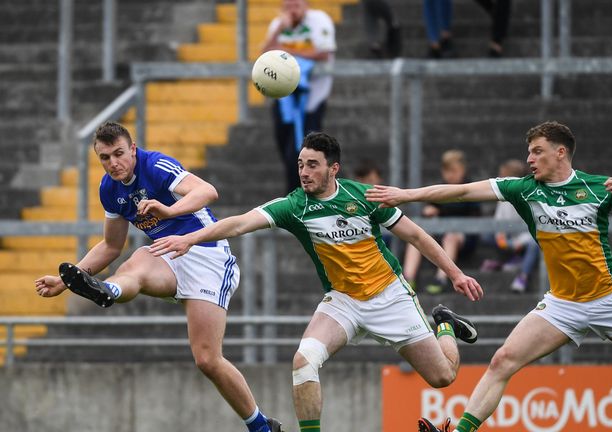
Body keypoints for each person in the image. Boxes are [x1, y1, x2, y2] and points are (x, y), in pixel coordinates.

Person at [365, 121, 612, 432]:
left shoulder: (597, 188)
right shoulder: (523, 189)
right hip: (563, 305)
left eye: (537, 152)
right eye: (528, 152)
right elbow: (462, 192)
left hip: (611, 300)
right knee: (503, 359)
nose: (530, 159)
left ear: (561, 153)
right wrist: (407, 195)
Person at [149, 132, 484, 432]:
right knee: (303, 360)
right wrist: (191, 238)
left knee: (443, 377)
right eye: (300, 164)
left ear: (333, 169)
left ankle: (443, 326)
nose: (304, 172)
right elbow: (239, 223)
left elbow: (416, 235)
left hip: (391, 295)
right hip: (343, 302)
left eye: (312, 165)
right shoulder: (295, 206)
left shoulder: (364, 196)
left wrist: (455, 273)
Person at [33, 122, 281, 432]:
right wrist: (69, 279)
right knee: (136, 261)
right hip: (166, 255)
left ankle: (261, 427)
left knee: (207, 360)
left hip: (207, 255)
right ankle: (107, 289)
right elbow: (112, 245)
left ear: (133, 149)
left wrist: (169, 210)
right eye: (105, 158)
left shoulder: (155, 164)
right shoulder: (109, 189)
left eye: (119, 154)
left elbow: (207, 191)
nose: (113, 163)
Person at [262, 0, 336, 194]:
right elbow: (264, 55)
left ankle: (304, 196)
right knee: (285, 150)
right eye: (288, 6)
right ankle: (295, 197)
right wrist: (279, 29)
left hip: (311, 100)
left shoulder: (319, 21)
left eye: (296, 5)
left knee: (302, 153)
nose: (292, 10)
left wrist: (287, 53)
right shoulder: (278, 24)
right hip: (283, 99)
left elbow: (324, 53)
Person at [402, 150, 481, 294]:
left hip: (464, 237)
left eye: (454, 171)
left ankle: (441, 278)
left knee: (451, 236)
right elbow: (431, 208)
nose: (450, 175)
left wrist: (442, 212)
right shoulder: (440, 189)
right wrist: (429, 211)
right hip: (440, 235)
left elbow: (473, 214)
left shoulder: (471, 188)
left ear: (462, 170)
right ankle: (408, 278)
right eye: (446, 171)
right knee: (415, 235)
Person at [479, 159, 539, 292]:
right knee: (486, 236)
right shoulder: (503, 197)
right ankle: (509, 261)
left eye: (503, 177)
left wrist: (519, 242)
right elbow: (499, 222)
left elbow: (533, 226)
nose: (499, 180)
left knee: (534, 244)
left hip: (526, 239)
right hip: (510, 239)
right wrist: (501, 237)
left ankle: (523, 275)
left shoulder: (528, 197)